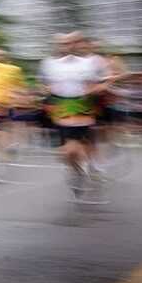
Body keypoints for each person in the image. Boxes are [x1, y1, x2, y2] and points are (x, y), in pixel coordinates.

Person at [40, 32, 107, 195]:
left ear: (77, 44)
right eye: (63, 43)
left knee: (73, 149)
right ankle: (77, 171)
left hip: (82, 107)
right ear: (57, 45)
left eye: (70, 43)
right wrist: (46, 90)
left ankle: (81, 170)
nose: (67, 46)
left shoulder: (89, 63)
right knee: (66, 153)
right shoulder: (49, 64)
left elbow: (103, 83)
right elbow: (44, 84)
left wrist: (95, 89)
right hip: (60, 106)